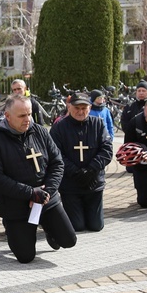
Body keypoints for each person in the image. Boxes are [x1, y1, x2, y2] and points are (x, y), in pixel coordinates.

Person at [0, 94, 76, 264]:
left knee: (69, 241)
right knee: (26, 257)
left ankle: (48, 227)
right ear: (8, 116)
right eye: (22, 116)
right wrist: (30, 193)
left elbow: (57, 163)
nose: (27, 119)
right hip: (15, 204)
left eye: (30, 114)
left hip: (46, 199)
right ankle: (13, 230)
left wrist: (45, 193)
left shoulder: (39, 131)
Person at [49, 93, 114, 232]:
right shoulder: (59, 127)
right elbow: (56, 155)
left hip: (93, 182)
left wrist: (91, 170)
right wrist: (76, 172)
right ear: (69, 107)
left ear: (90, 108)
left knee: (96, 226)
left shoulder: (98, 124)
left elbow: (107, 150)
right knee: (77, 226)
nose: (80, 111)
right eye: (76, 108)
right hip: (71, 183)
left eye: (84, 108)